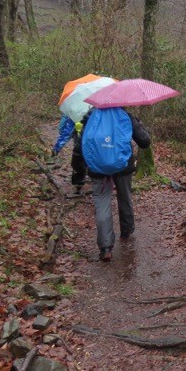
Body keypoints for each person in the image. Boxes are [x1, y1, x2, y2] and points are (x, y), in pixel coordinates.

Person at [76, 109, 151, 261]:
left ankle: (105, 248)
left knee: (101, 204)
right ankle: (126, 231)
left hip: (97, 168)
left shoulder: (90, 118)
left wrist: (80, 170)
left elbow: (79, 147)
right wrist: (141, 127)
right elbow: (145, 142)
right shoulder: (126, 116)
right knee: (125, 197)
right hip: (123, 166)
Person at [52, 114, 88, 194]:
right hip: (96, 143)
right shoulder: (103, 111)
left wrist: (57, 147)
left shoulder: (75, 110)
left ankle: (79, 183)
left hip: (79, 140)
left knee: (79, 159)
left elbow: (67, 131)